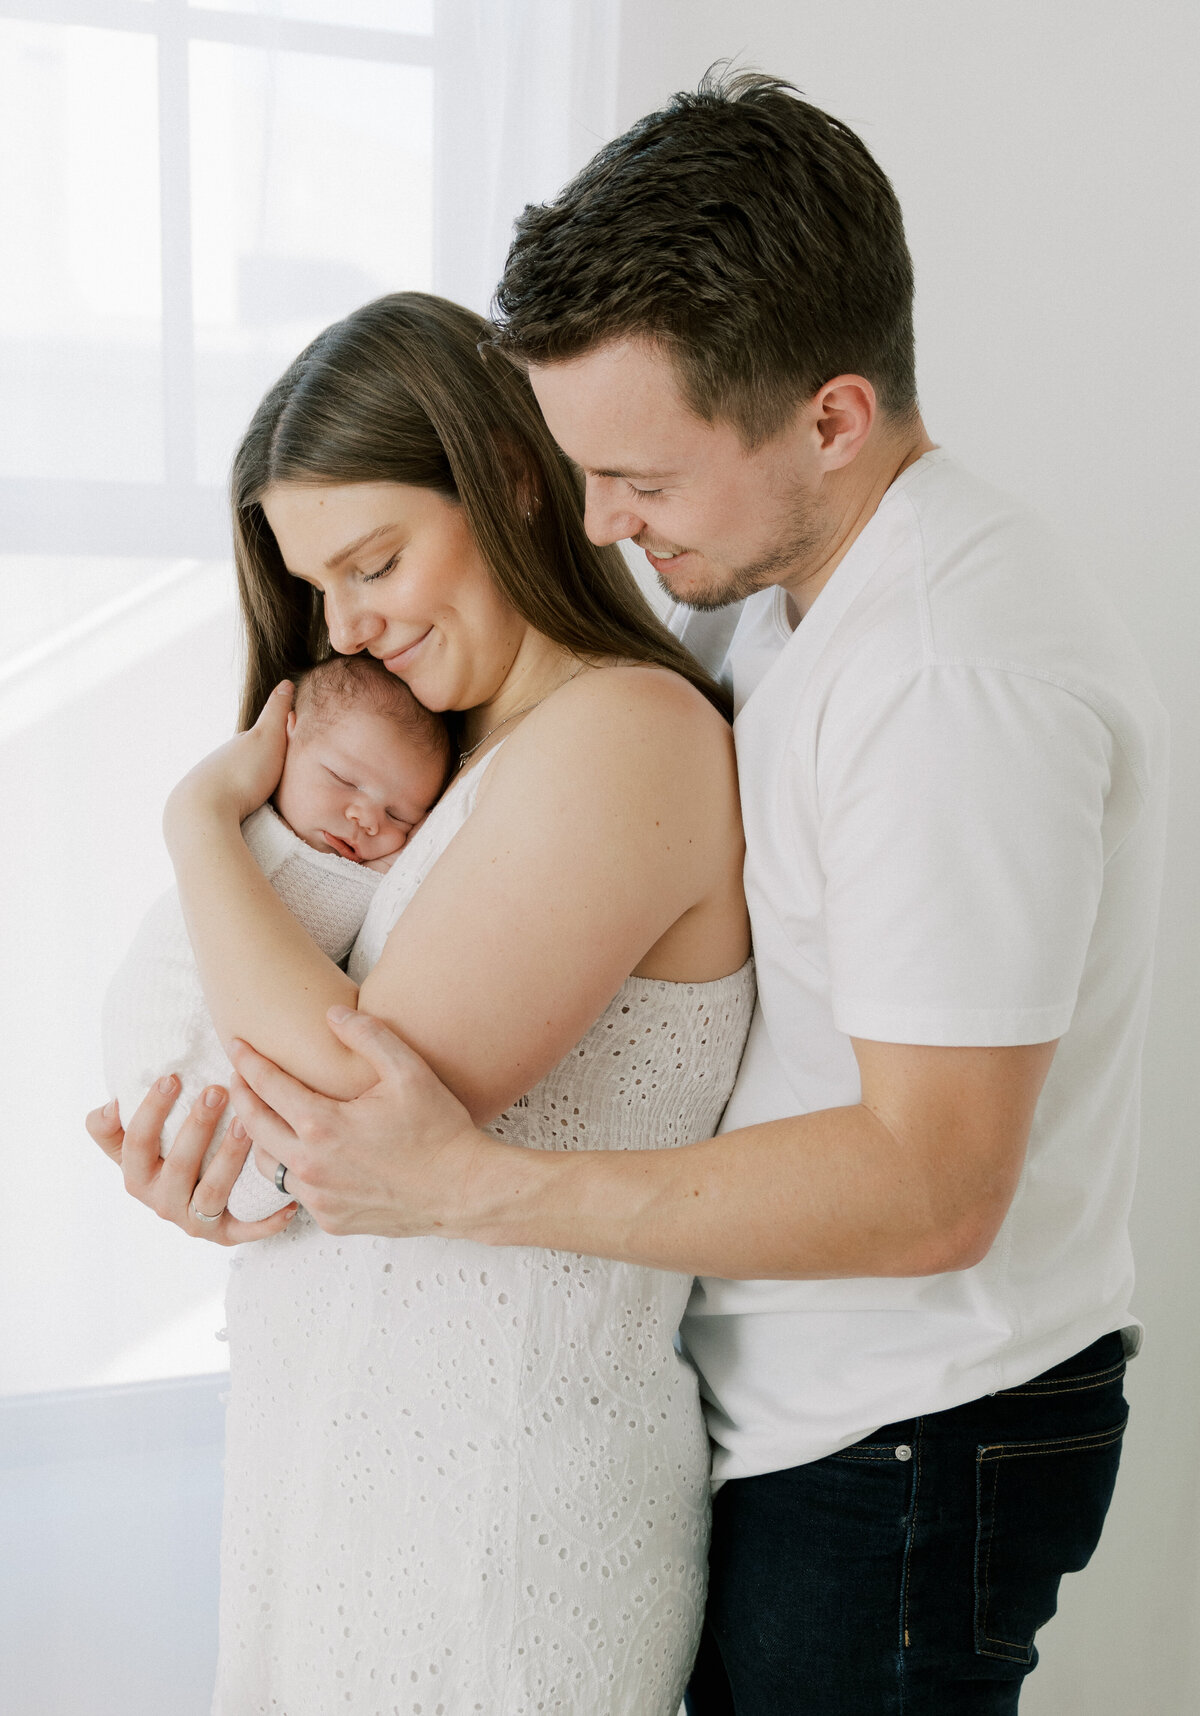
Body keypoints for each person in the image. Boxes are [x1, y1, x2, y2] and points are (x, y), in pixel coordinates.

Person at [123, 69, 1170, 1715]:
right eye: (579, 466)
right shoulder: (766, 591)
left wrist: (472, 1186)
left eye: (645, 480)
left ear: (831, 417)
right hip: (790, 1408)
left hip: (907, 1425)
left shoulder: (955, 672)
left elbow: (935, 1182)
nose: (602, 521)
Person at [90, 290, 754, 1715]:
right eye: (318, 587)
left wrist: (201, 825)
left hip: (503, 1514)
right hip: (341, 1475)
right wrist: (213, 1176)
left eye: (375, 559)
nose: (345, 623)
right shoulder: (445, 766)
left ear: (511, 476)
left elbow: (346, 1108)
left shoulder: (626, 737)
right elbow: (297, 1140)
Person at [101, 653, 450, 1222]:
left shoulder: (220, 825)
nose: (366, 818)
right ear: (280, 745)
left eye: (401, 817)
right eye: (342, 779)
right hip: (155, 1064)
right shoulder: (258, 842)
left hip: (237, 1144)